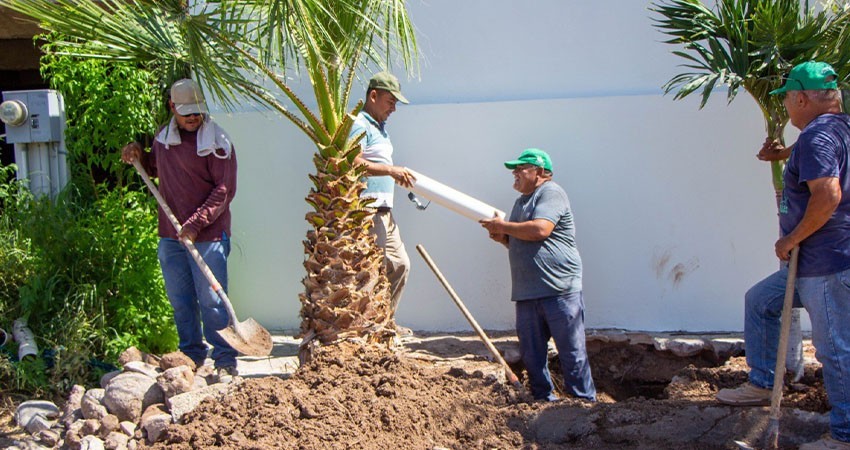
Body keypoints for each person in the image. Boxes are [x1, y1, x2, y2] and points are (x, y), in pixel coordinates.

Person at [732, 61, 850, 450]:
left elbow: (828, 193)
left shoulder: (818, 137)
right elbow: (816, 159)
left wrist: (791, 238)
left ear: (801, 97)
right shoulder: (837, 129)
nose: (785, 106)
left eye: (787, 99)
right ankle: (763, 382)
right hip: (818, 262)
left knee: (834, 348)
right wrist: (781, 155)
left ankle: (845, 434)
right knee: (762, 301)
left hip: (824, 262)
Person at [121, 78, 239, 383]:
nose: (193, 117)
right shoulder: (163, 138)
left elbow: (224, 191)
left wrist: (196, 224)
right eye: (186, 111)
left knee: (212, 300)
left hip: (208, 236)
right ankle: (192, 354)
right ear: (172, 107)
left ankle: (225, 359)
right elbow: (155, 169)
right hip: (171, 236)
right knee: (180, 298)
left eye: (197, 111)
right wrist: (138, 156)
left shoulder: (218, 143)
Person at [480, 148, 596, 402]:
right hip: (527, 292)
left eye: (522, 168)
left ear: (541, 172)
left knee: (571, 352)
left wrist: (503, 227)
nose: (516, 173)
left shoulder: (551, 192)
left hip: (559, 290)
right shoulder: (520, 202)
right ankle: (544, 402)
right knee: (532, 355)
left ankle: (586, 407)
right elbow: (520, 241)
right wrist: (502, 237)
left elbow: (540, 230)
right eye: (515, 169)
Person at [350, 71, 415, 335]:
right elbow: (353, 162)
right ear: (373, 95)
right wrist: (390, 171)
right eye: (390, 101)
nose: (394, 108)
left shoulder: (381, 129)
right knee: (373, 268)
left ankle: (385, 320)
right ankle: (370, 326)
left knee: (400, 264)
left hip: (385, 210)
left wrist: (393, 175)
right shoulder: (359, 124)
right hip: (368, 209)